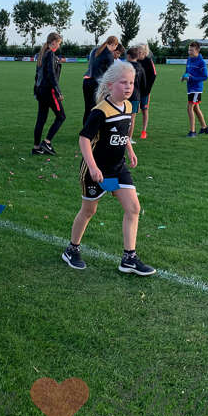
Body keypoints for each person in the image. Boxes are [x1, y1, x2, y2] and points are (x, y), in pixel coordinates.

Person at [62, 62, 156, 276]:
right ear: (111, 85)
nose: (129, 87)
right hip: (96, 170)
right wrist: (92, 167)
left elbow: (123, 133)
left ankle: (129, 258)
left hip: (118, 167)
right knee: (89, 210)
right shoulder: (100, 111)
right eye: (123, 82)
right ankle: (71, 250)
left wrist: (130, 149)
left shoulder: (129, 107)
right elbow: (84, 139)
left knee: (133, 208)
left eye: (131, 82)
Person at [32, 32, 65, 155]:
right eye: (58, 43)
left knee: (41, 119)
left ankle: (36, 148)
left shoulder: (42, 54)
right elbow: (52, 75)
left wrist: (36, 90)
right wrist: (58, 92)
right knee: (61, 116)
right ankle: (47, 142)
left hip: (40, 89)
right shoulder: (50, 54)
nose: (59, 46)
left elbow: (37, 75)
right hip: (48, 90)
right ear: (54, 42)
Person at [83, 36, 118, 124]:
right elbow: (110, 72)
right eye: (115, 46)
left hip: (86, 81)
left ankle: (85, 129)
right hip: (97, 82)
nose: (115, 49)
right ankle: (95, 130)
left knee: (88, 108)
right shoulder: (109, 54)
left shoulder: (94, 50)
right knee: (97, 107)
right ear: (113, 44)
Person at [181, 42, 208, 138]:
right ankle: (204, 128)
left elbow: (205, 76)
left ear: (197, 50)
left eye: (191, 50)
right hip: (190, 87)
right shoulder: (189, 59)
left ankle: (192, 132)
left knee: (189, 108)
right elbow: (187, 72)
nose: (189, 52)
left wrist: (191, 79)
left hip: (196, 88)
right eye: (189, 50)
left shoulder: (201, 62)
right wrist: (183, 76)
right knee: (196, 108)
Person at [126, 47, 146, 144]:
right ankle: (129, 138)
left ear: (128, 56)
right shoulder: (141, 69)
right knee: (132, 118)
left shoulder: (125, 68)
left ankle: (121, 136)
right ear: (138, 57)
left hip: (124, 94)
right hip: (135, 95)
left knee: (122, 115)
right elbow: (144, 84)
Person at [136, 44, 156, 139]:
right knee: (132, 111)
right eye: (137, 52)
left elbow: (153, 75)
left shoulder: (148, 61)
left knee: (144, 110)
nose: (138, 54)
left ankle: (144, 131)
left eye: (140, 52)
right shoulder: (134, 61)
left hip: (145, 91)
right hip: (135, 90)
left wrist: (148, 89)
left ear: (144, 53)